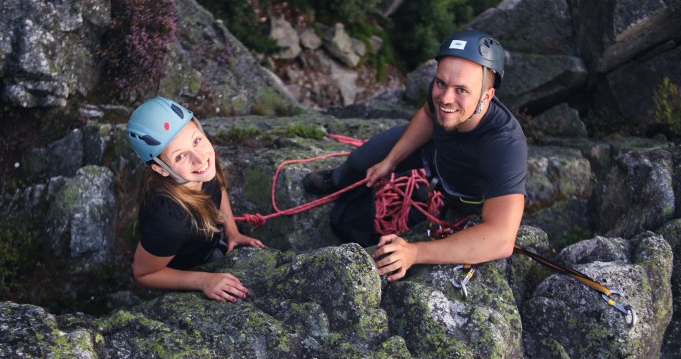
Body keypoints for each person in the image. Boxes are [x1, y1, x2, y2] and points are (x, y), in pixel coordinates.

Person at [303, 29, 527, 281]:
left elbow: (500, 239)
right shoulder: (444, 93)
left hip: (463, 192)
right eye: (441, 83)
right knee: (360, 162)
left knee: (450, 210)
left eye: (461, 90)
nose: (445, 98)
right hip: (434, 153)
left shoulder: (505, 145)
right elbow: (429, 113)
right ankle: (339, 181)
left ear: (487, 96)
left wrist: (415, 252)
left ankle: (430, 203)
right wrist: (391, 160)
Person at [126, 96, 264, 301]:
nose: (200, 159)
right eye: (180, 156)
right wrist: (204, 280)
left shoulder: (201, 168)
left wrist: (232, 231)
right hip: (189, 268)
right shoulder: (168, 221)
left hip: (213, 240)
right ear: (160, 169)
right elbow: (144, 273)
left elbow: (218, 186)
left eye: (197, 140)